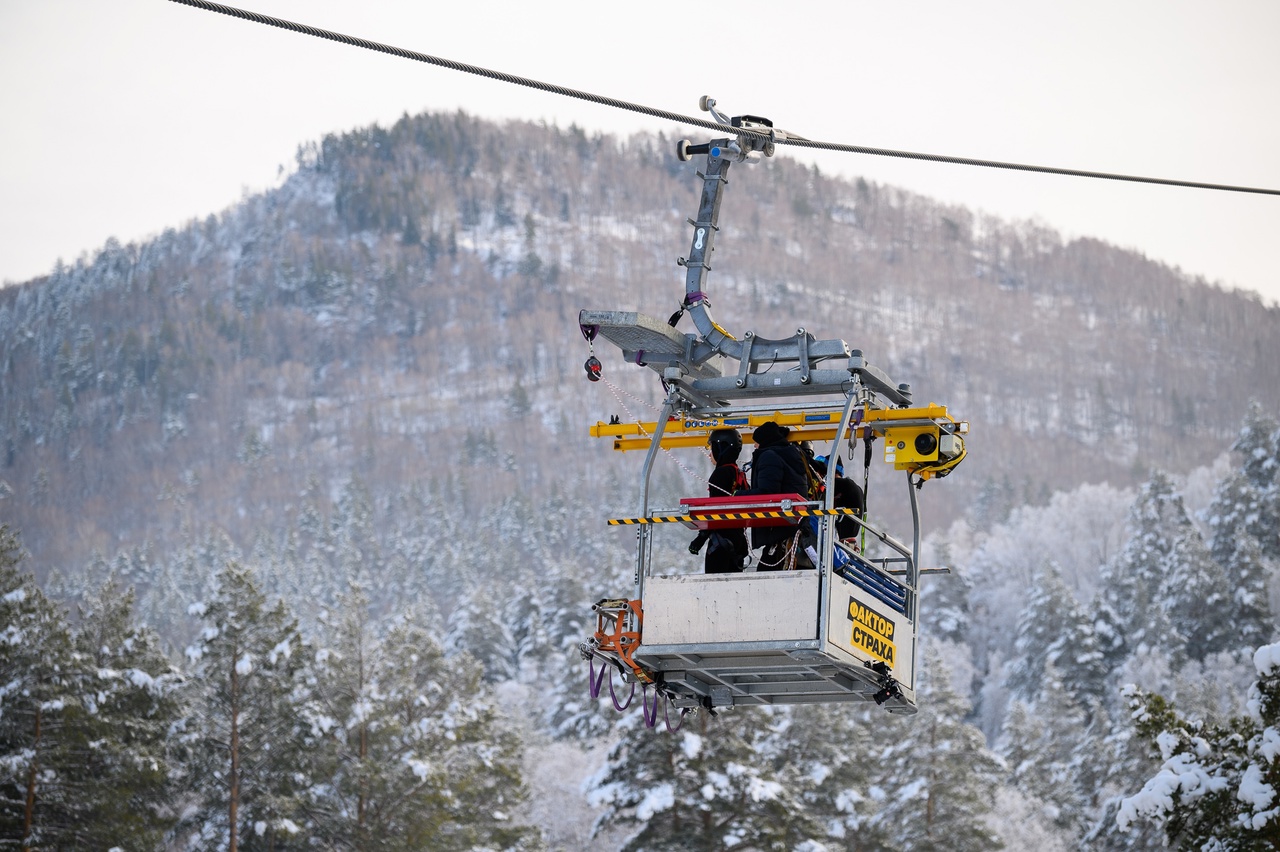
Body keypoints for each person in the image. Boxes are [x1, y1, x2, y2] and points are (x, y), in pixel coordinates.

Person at [743, 421, 814, 570]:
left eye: (756, 443)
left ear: (764, 441)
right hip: (794, 530)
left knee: (765, 578)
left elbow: (766, 493)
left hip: (780, 532)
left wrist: (738, 495)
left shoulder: (769, 456)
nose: (755, 447)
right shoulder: (791, 455)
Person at [688, 429, 749, 573]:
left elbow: (715, 511)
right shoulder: (739, 474)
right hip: (738, 541)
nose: (710, 454)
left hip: (721, 542)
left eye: (712, 448)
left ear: (720, 448)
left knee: (715, 588)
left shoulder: (720, 474)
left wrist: (700, 539)